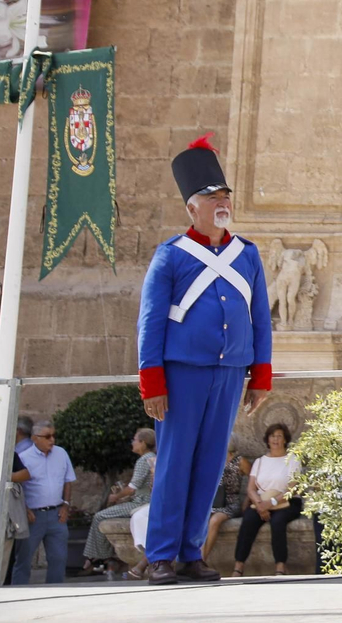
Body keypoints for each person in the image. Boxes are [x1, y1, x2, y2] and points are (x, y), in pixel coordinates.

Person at [137, 133, 272, 585]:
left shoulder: (247, 254)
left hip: (230, 372)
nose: (221, 202)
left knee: (211, 464)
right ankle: (160, 555)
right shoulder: (171, 255)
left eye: (224, 195)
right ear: (191, 207)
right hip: (181, 374)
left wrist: (261, 374)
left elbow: (259, 318)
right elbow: (152, 321)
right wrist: (151, 382)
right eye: (211, 196)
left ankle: (191, 552)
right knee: (174, 462)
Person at [233, 423, 304, 576]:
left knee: (277, 522)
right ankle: (238, 567)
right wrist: (260, 504)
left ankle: (280, 566)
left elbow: (292, 489)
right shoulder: (260, 461)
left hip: (287, 502)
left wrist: (270, 503)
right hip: (262, 502)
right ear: (268, 439)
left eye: (279, 436)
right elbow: (251, 488)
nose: (275, 439)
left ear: (285, 439)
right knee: (248, 521)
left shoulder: (293, 459)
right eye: (272, 436)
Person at [9, 420, 76, 584]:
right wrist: (24, 509)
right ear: (34, 438)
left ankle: (55, 592)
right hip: (33, 516)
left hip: (57, 514)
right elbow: (17, 488)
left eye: (53, 436)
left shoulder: (61, 454)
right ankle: (17, 594)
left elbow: (68, 480)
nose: (51, 440)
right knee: (24, 559)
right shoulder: (24, 458)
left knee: (59, 559)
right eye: (47, 436)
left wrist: (66, 505)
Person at [81, 427, 156, 573]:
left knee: (100, 516)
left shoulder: (143, 460)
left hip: (141, 503)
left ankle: (99, 556)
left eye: (135, 440)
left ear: (143, 443)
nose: (132, 443)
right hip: (147, 501)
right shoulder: (153, 458)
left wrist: (115, 496)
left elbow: (132, 488)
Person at [201, 445, 248, 560]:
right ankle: (197, 561)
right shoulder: (213, 458)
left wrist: (247, 500)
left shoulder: (240, 460)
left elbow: (254, 478)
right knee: (201, 522)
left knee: (215, 521)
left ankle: (201, 560)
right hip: (214, 502)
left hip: (231, 502)